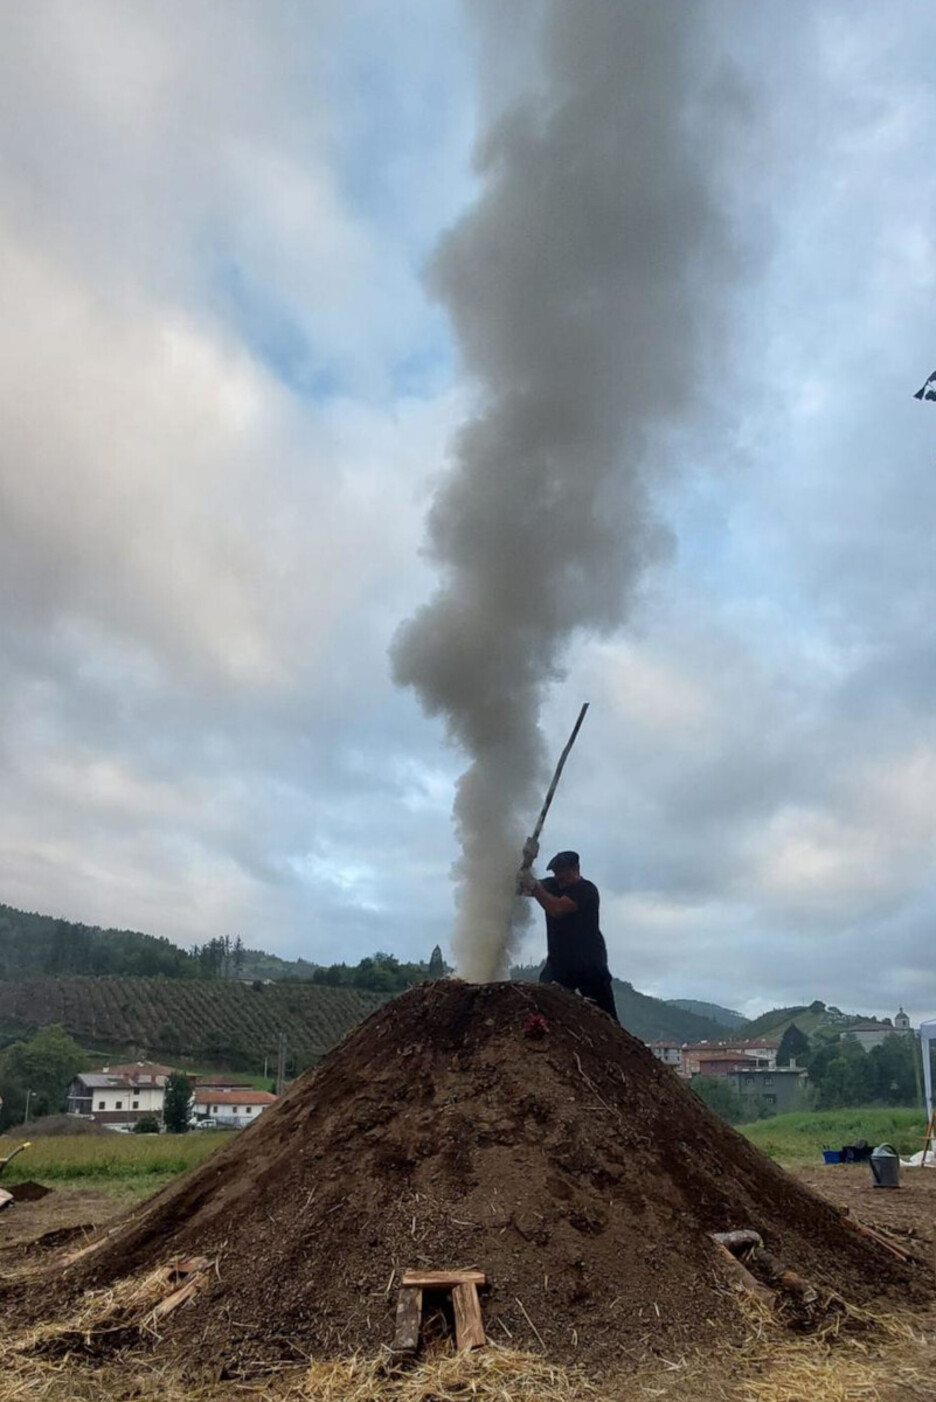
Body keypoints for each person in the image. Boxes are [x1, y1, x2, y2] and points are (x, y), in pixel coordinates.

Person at [519, 849, 619, 1023]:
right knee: (542, 1003)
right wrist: (525, 864)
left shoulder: (586, 890)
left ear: (576, 869)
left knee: (606, 1017)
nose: (558, 878)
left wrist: (535, 887)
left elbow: (557, 909)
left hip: (589, 963)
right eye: (556, 873)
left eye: (563, 872)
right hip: (559, 963)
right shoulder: (551, 885)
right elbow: (519, 888)